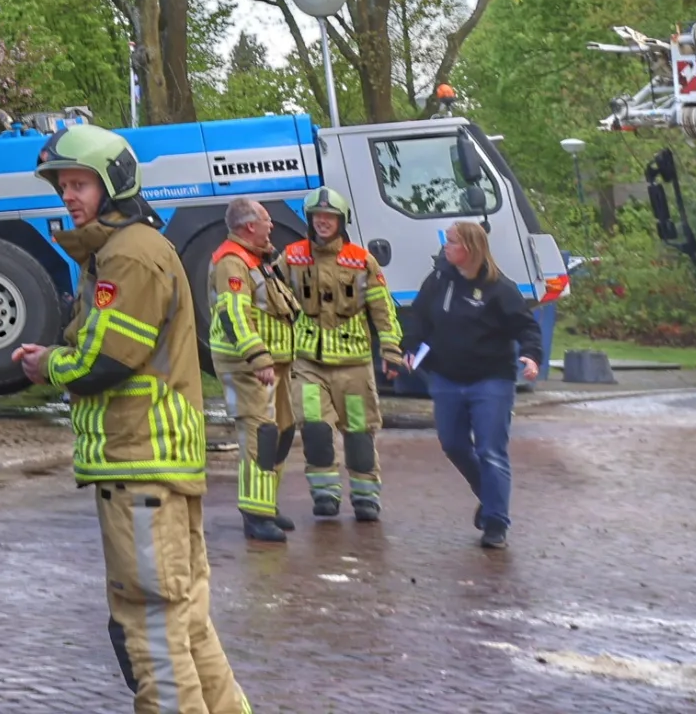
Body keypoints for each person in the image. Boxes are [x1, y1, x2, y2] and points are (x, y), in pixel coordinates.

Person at [10, 124, 251, 714]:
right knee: (186, 622)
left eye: (79, 184)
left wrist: (49, 365)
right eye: (62, 186)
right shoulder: (122, 251)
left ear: (113, 183)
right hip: (152, 466)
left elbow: (110, 359)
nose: (68, 196)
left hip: (140, 465)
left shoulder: (129, 254)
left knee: (150, 629)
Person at [261, 186, 401, 523]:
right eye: (317, 217)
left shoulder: (362, 260)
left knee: (358, 432)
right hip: (308, 363)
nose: (323, 222)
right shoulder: (292, 256)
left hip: (354, 365)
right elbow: (270, 300)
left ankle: (366, 497)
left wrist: (391, 350)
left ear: (341, 221)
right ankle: (325, 494)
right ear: (309, 220)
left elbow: (383, 309)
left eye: (330, 217)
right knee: (315, 428)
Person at [402, 217, 544, 549]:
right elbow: (419, 317)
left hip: (491, 380)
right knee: (452, 444)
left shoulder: (499, 287)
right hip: (446, 377)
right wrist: (409, 348)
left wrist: (532, 355)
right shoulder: (438, 280)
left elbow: (526, 327)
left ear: (469, 248)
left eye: (450, 242)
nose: (445, 247)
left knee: (490, 450)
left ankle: (496, 522)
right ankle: (490, 494)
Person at [202, 199, 292, 545]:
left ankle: (266, 504)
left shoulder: (258, 258)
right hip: (248, 366)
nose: (272, 225)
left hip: (274, 363)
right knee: (260, 438)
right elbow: (234, 315)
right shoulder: (232, 262)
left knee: (282, 431)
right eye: (267, 219)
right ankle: (255, 516)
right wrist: (258, 357)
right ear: (249, 226)